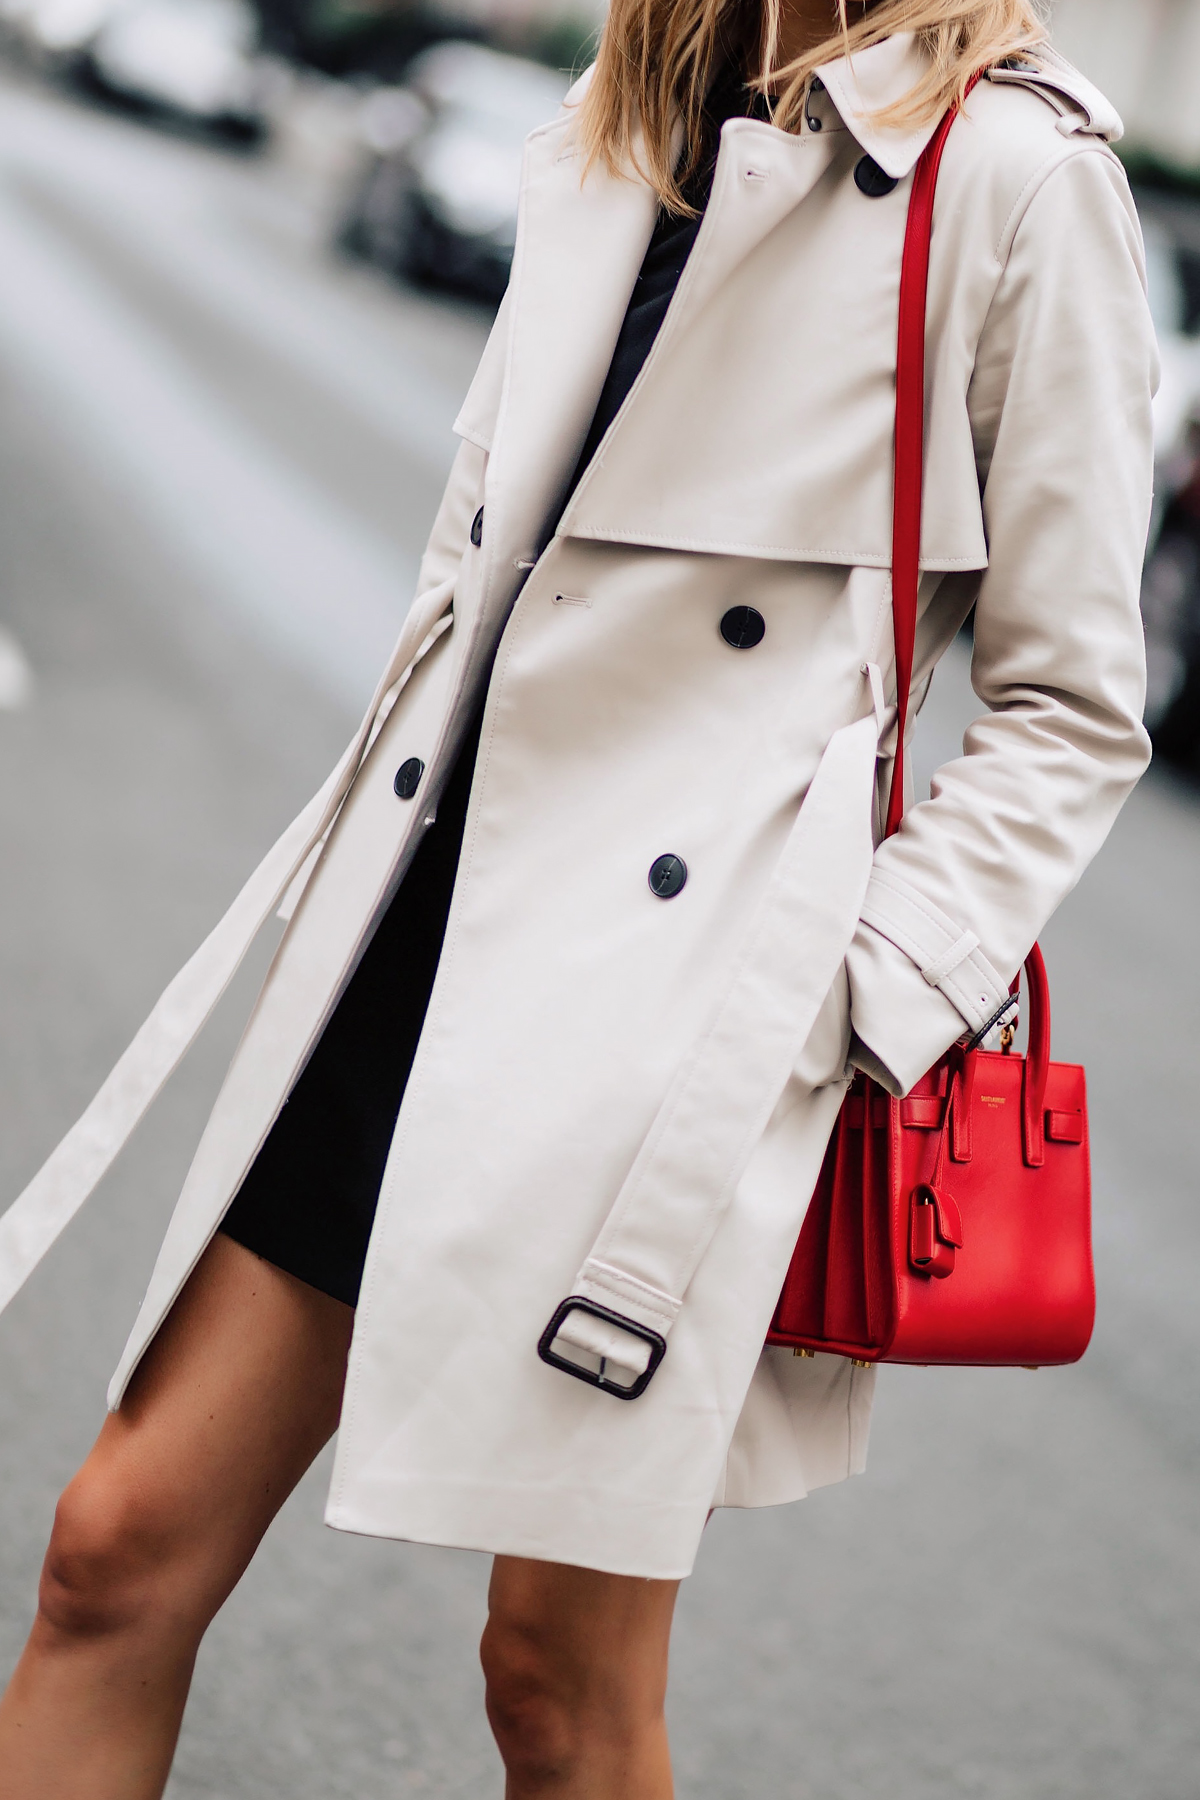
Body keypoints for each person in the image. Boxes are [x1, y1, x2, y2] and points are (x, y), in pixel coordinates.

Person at [0, 0, 1156, 1793]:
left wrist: (833, 1004)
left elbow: (1072, 705)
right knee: (111, 1556)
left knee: (555, 1687)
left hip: (673, 1030)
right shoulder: (615, 126)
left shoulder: (1013, 168)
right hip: (418, 939)